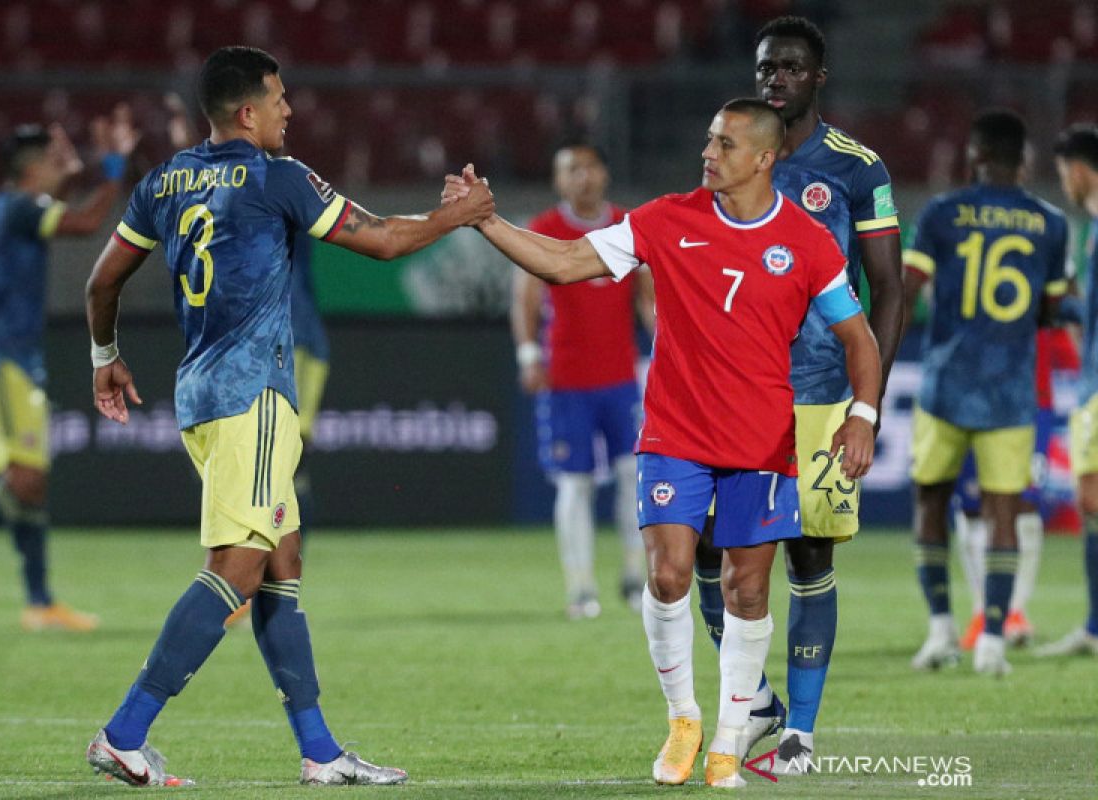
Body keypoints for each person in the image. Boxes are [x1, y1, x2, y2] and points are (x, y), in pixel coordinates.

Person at [83, 46, 493, 787]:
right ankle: (123, 732)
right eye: (279, 99)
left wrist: (104, 355)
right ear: (247, 111)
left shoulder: (165, 179)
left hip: (199, 395)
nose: (290, 110)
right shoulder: (280, 178)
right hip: (253, 395)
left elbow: (102, 278)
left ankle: (322, 752)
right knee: (238, 568)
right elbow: (383, 241)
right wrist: (458, 216)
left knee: (282, 562)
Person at [446, 98, 880, 788]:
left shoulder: (806, 241)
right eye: (708, 139)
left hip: (763, 441)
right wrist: (486, 220)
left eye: (726, 144)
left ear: (765, 159)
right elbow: (562, 263)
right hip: (675, 431)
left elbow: (858, 337)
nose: (708, 153)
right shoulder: (664, 219)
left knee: (747, 588)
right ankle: (684, 720)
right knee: (670, 574)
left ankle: (731, 740)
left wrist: (862, 414)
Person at [692, 15, 905, 772]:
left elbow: (887, 290)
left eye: (787, 68)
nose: (772, 79)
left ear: (818, 78)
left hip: (816, 395)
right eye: (763, 68)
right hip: (732, 393)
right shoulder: (733, 155)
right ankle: (759, 706)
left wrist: (865, 404)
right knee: (707, 554)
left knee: (807, 555)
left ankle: (801, 734)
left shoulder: (856, 168)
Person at [0, 117, 136, 630]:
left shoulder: (8, 208)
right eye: (55, 155)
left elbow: (60, 206)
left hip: (14, 359)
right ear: (35, 167)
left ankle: (38, 602)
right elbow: (84, 224)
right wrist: (113, 171)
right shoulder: (20, 209)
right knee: (21, 478)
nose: (64, 161)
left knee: (30, 484)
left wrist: (80, 170)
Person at [903, 109, 1069, 676]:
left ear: (974, 157)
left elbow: (907, 290)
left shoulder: (942, 213)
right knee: (1005, 511)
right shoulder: (1051, 223)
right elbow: (1051, 307)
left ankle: (941, 631)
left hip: (945, 383)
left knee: (931, 502)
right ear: (1025, 161)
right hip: (1010, 389)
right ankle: (994, 638)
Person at [513, 142, 652, 619]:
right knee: (574, 485)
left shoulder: (629, 226)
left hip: (620, 378)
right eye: (572, 169)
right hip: (566, 381)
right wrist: (529, 354)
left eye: (590, 167)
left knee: (633, 475)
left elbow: (648, 302)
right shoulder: (545, 230)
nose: (583, 178)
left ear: (604, 175)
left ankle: (635, 576)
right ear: (558, 180)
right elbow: (525, 301)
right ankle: (580, 587)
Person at [953, 327, 1074, 650]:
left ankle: (1015, 611)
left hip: (1032, 398)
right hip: (970, 392)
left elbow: (1067, 304)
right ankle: (982, 612)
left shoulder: (1046, 274)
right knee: (973, 506)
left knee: (1025, 503)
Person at [1037, 123, 1098, 657]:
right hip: (1090, 383)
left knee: (1092, 497)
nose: (1065, 185)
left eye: (1063, 173)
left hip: (1097, 386)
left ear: (1079, 169)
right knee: (1091, 502)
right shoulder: (1091, 229)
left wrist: (1054, 306)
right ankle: (1094, 626)